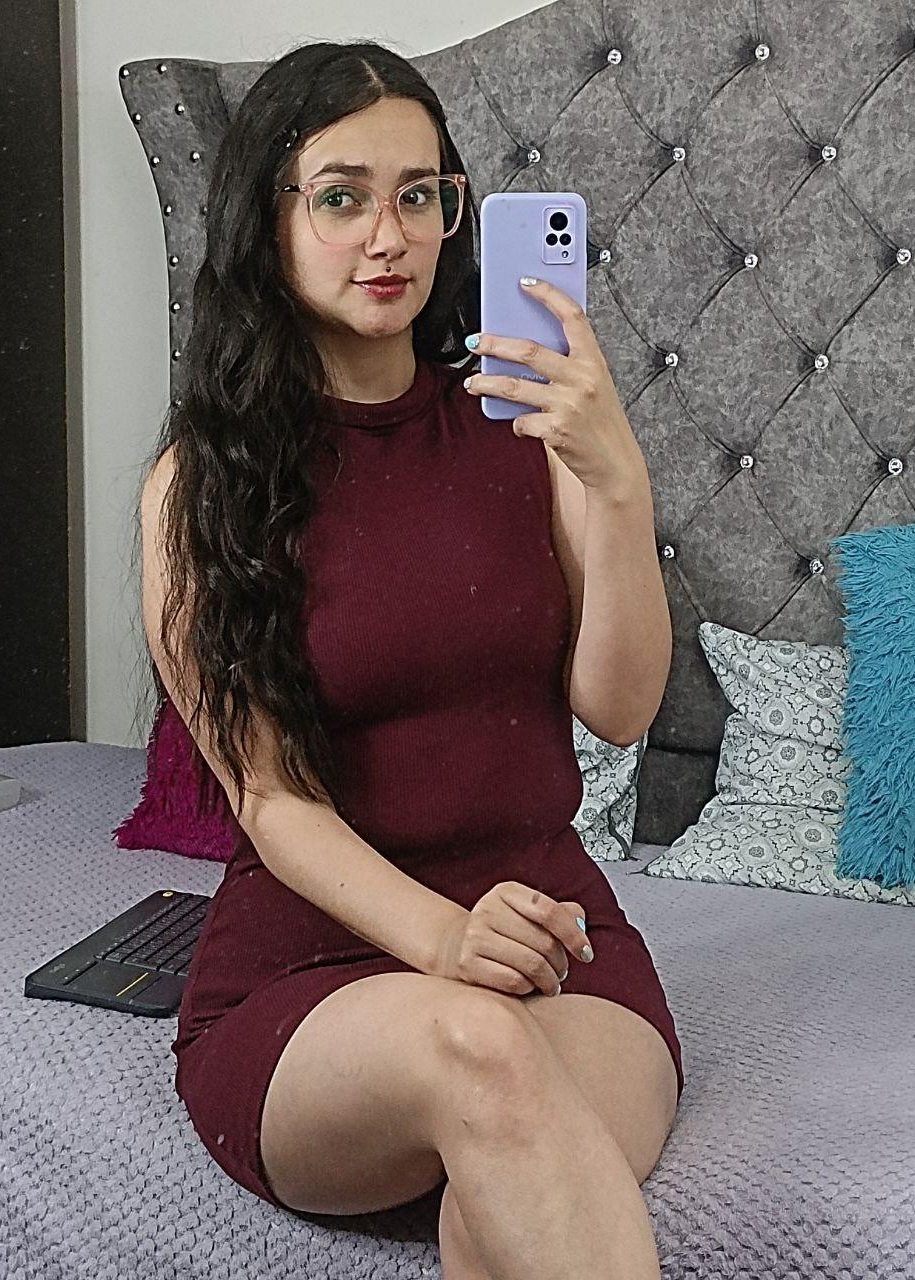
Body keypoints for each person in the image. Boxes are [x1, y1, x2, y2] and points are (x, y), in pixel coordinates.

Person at [134, 38, 683, 1280]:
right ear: (269, 220)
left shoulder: (521, 431)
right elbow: (273, 801)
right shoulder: (199, 489)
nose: (388, 237)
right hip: (313, 971)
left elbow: (619, 706)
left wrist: (619, 485)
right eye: (341, 197)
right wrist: (442, 941)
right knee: (481, 1052)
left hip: (552, 937)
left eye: (418, 195)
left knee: (508, 1189)